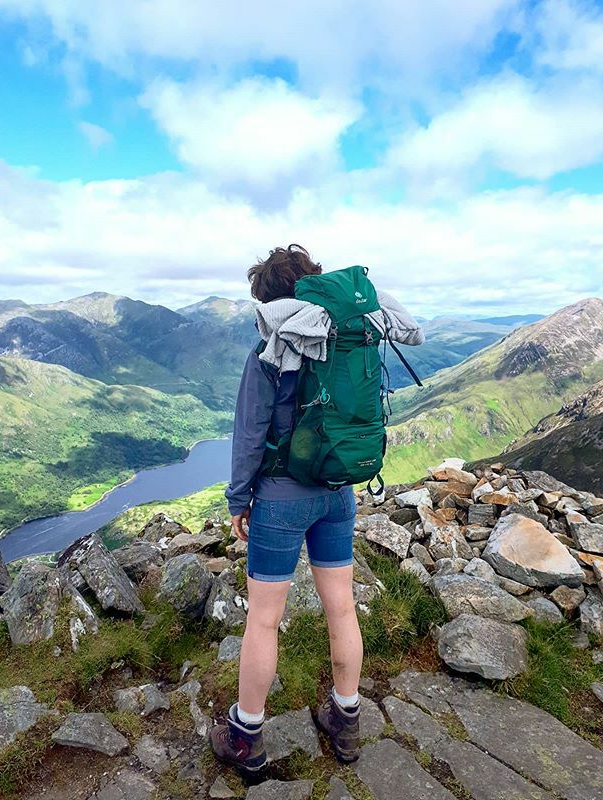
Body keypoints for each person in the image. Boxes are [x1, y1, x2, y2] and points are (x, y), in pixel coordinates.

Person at [210, 244, 422, 776]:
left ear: (268, 299)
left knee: (264, 620)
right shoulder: (349, 334)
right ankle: (346, 720)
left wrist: (239, 499)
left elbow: (250, 433)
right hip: (338, 490)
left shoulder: (271, 346)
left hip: (281, 498)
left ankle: (246, 737)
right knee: (341, 608)